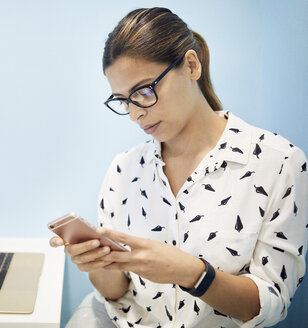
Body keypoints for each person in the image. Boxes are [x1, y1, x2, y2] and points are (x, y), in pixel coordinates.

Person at [49, 7, 308, 328]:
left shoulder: (278, 163)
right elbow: (116, 294)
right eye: (122, 100)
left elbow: (270, 304)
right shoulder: (124, 169)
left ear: (191, 65)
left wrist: (191, 272)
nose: (134, 114)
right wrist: (97, 262)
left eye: (144, 91)